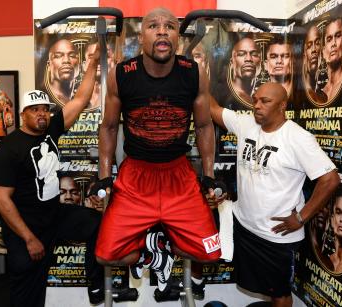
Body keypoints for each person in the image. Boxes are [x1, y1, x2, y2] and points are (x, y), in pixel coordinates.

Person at [93, 7, 223, 300]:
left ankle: (159, 240)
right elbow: (110, 127)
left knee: (210, 253)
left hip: (178, 174)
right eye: (153, 26)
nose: (162, 30)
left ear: (177, 37)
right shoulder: (121, 75)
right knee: (106, 255)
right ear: (142, 37)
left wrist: (209, 175)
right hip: (136, 175)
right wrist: (104, 177)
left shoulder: (193, 74)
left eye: (170, 26)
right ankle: (153, 253)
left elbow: (203, 126)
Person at [0, 45, 105, 307]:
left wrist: (94, 62)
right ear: (23, 114)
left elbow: (80, 100)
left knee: (95, 222)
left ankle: (96, 286)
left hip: (53, 216)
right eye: (35, 109)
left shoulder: (51, 130)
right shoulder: (8, 149)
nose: (42, 114)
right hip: (25, 228)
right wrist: (29, 238)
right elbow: (1, 199)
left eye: (45, 109)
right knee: (28, 285)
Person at [209, 82, 340, 307]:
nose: (257, 106)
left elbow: (330, 179)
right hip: (244, 226)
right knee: (262, 286)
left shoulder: (297, 138)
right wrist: (199, 75)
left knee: (279, 293)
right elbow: (212, 108)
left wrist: (301, 217)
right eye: (255, 100)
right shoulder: (246, 123)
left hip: (276, 237)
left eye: (265, 101)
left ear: (282, 106)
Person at [82, 40, 116, 110]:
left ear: (114, 62)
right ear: (84, 64)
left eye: (105, 57)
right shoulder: (72, 95)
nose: (98, 61)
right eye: (92, 57)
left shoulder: (123, 94)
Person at [46, 38, 80, 106]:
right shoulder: (46, 100)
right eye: (58, 56)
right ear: (49, 65)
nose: (66, 60)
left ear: (80, 64)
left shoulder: (83, 98)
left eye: (72, 56)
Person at [229, 36, 261, 106]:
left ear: (260, 63)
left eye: (254, 54)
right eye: (241, 54)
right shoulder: (226, 95)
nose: (248, 59)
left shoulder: (262, 95)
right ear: (232, 63)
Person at [322, 18, 342, 103]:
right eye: (329, 39)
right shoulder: (320, 91)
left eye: (338, 36)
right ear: (324, 51)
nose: (333, 44)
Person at [303, 25, 327, 105]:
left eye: (317, 43)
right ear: (304, 54)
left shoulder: (323, 95)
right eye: (309, 46)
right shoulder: (301, 94)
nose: (314, 50)